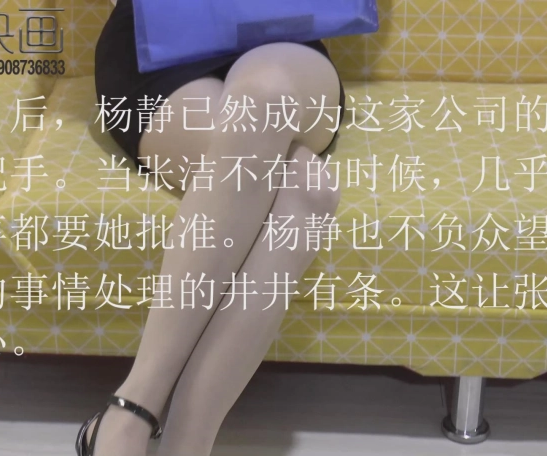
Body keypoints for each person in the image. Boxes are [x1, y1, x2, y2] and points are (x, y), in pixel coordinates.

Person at [78, 0, 346, 455]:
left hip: (286, 39)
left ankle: (129, 420)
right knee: (307, 188)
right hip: (157, 47)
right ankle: (166, 433)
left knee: (267, 96)